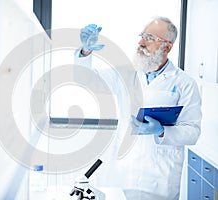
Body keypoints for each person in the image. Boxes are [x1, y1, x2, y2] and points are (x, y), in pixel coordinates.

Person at [74, 16, 202, 199]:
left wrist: (161, 131)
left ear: (167, 47)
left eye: (150, 38)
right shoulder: (127, 73)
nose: (141, 42)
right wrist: (85, 52)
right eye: (142, 35)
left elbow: (193, 132)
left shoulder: (184, 83)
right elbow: (86, 81)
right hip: (125, 172)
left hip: (161, 178)